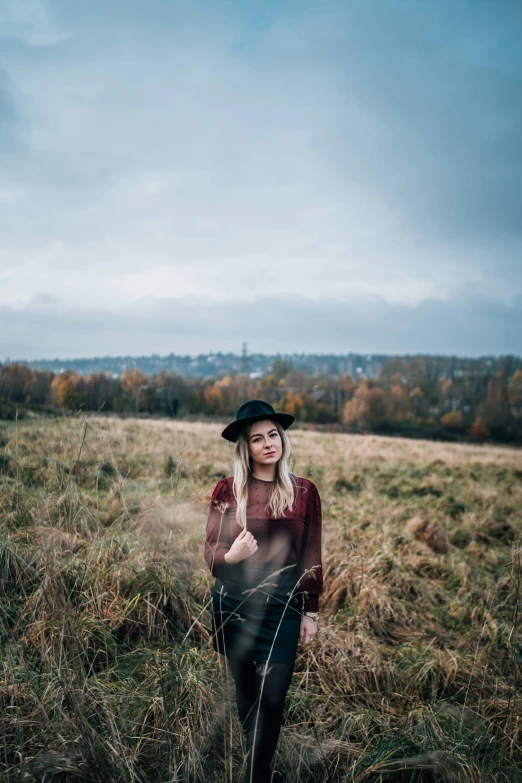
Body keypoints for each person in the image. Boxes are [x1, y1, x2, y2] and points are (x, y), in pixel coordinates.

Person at [204, 399, 323, 783]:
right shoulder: (227, 490)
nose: (269, 443)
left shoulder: (303, 491)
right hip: (234, 602)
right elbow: (210, 552)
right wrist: (232, 555)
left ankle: (257, 775)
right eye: (258, 438)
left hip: (283, 605)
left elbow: (311, 554)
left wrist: (311, 610)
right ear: (246, 447)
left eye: (274, 435)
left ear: (283, 440)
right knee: (248, 696)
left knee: (273, 698)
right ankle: (255, 760)